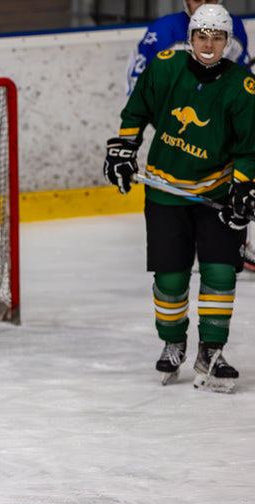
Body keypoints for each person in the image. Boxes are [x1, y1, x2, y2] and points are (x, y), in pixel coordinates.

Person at [104, 4, 255, 393]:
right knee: (170, 279)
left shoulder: (243, 85)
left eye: (217, 37)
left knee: (221, 274)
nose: (209, 44)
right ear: (190, 39)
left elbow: (249, 147)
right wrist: (123, 149)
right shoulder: (165, 65)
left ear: (228, 42)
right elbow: (136, 110)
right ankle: (173, 342)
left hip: (215, 192)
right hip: (165, 192)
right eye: (202, 36)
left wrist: (242, 187)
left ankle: (211, 351)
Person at [125, 0, 249, 95]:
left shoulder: (234, 28)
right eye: (197, 0)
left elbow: (243, 79)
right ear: (187, 1)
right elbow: (138, 87)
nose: (204, 7)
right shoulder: (162, 31)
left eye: (209, 0)